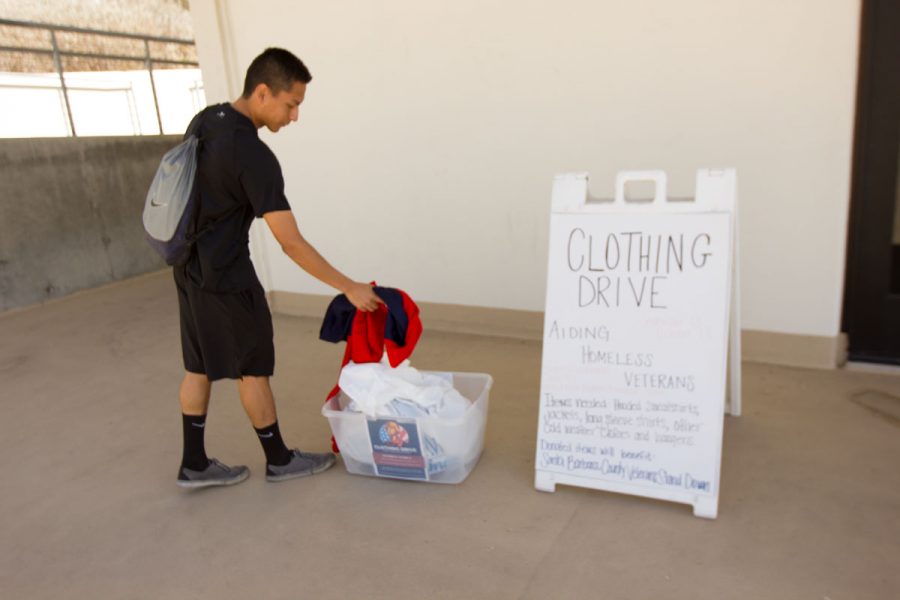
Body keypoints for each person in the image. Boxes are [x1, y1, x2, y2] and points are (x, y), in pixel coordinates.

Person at [174, 48, 381, 488]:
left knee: (198, 365)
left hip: (188, 267)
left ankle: (193, 463)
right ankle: (279, 459)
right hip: (227, 276)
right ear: (263, 92)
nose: (295, 116)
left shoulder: (206, 120)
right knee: (252, 366)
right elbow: (290, 242)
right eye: (292, 104)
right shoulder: (252, 154)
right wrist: (347, 286)